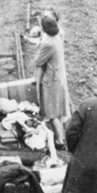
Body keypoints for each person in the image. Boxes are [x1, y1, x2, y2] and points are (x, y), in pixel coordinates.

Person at [33, 15, 70, 149]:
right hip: (58, 77)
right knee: (58, 110)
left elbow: (37, 62)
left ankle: (60, 141)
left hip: (50, 80)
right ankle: (61, 136)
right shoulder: (58, 34)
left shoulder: (47, 42)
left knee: (51, 112)